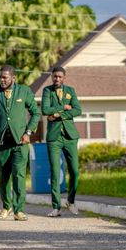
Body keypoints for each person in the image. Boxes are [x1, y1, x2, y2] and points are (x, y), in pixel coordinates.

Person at [0, 65, 40, 221]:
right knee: (3, 177)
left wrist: (28, 132)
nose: (2, 80)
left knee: (19, 175)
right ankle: (6, 206)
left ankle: (19, 210)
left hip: (20, 143)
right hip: (1, 143)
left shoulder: (24, 91)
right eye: (0, 77)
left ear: (13, 78)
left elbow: (35, 113)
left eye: (5, 77)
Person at [41, 66, 82, 217]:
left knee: (75, 171)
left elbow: (78, 110)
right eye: (54, 77)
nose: (57, 79)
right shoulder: (47, 91)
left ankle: (71, 201)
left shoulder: (70, 91)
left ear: (64, 77)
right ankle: (56, 207)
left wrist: (58, 114)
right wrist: (64, 107)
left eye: (59, 77)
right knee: (55, 172)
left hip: (70, 136)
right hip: (54, 138)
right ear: (52, 77)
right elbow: (45, 110)